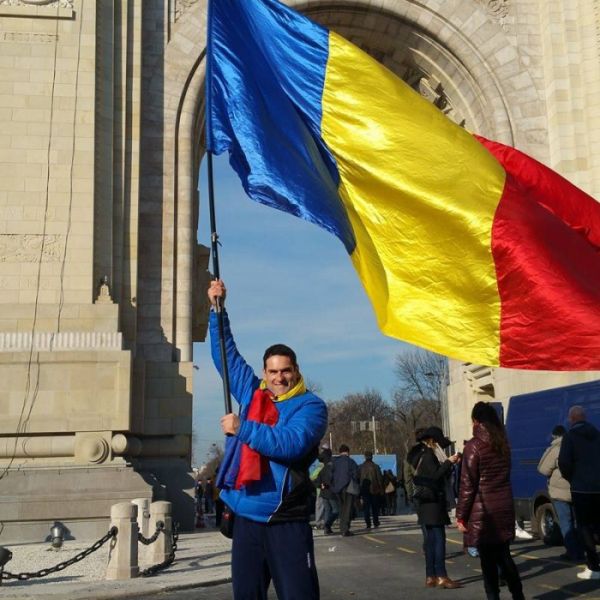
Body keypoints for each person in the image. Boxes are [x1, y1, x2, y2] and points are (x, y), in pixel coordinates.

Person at [208, 279, 328, 600]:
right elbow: (227, 357)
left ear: (296, 371)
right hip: (246, 519)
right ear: (264, 373)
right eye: (272, 372)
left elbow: (289, 444)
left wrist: (242, 428)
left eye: (285, 371)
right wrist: (218, 310)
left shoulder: (311, 406)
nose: (279, 378)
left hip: (285, 521)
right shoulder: (253, 393)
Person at [456, 401, 524, 600]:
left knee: (488, 563)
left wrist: (461, 516)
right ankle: (518, 595)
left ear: (475, 421)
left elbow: (467, 485)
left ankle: (493, 597)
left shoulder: (473, 446)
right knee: (504, 556)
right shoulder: (502, 443)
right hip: (503, 505)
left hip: (483, 510)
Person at [407, 426, 462, 589]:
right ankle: (442, 576)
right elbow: (435, 476)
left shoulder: (419, 454)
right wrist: (448, 462)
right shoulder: (430, 455)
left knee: (430, 540)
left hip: (424, 502)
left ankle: (430, 575)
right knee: (439, 539)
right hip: (433, 501)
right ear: (434, 441)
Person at [558, 405, 600, 580]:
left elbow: (564, 463)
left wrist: (572, 479)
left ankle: (593, 566)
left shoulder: (569, 437)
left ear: (572, 419)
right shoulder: (597, 434)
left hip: (581, 488)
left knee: (584, 527)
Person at [537, 424, 584, 561]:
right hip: (576, 490)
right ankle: (580, 551)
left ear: (555, 436)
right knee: (577, 523)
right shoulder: (576, 446)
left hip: (560, 492)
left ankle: (572, 553)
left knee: (566, 523)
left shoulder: (556, 448)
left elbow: (543, 469)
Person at [330, 444, 359, 536]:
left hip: (337, 488)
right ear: (348, 452)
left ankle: (342, 527)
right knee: (347, 509)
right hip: (347, 487)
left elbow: (330, 474)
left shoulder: (334, 462)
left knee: (341, 508)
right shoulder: (351, 462)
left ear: (340, 452)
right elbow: (356, 475)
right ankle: (345, 529)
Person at [314, 447, 338, 534]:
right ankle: (327, 525)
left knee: (327, 510)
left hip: (323, 493)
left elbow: (316, 481)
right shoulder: (332, 468)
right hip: (331, 492)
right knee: (336, 510)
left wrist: (321, 485)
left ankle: (326, 529)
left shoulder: (322, 469)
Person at [358, 450, 384, 529]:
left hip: (364, 490)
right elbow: (380, 478)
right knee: (375, 507)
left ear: (365, 457)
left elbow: (358, 478)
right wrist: (381, 488)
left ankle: (368, 523)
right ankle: (375, 522)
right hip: (375, 489)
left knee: (366, 507)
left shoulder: (360, 467)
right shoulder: (376, 466)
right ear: (372, 456)